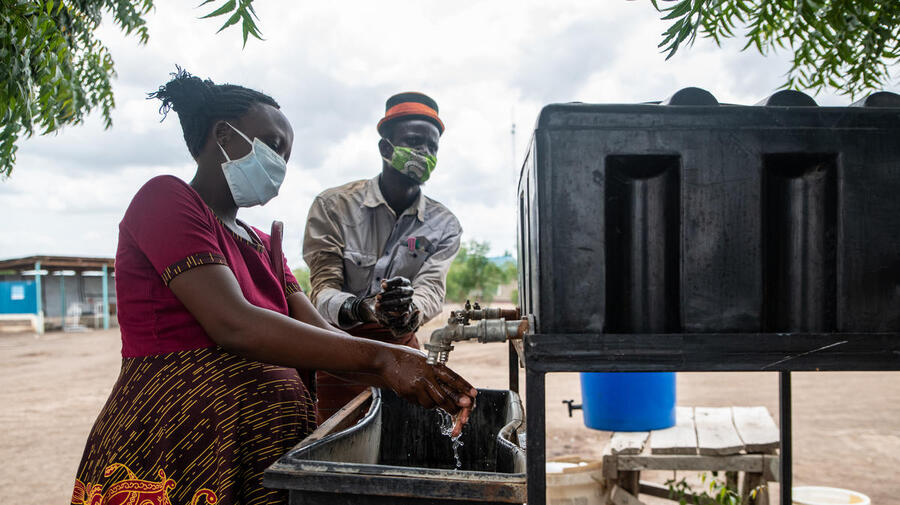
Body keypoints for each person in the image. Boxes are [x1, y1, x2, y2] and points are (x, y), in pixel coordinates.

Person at [70, 71, 475, 505]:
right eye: (273, 145)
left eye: (287, 153)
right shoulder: (166, 200)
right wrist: (382, 356)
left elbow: (330, 339)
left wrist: (422, 374)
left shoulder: (265, 245)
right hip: (181, 444)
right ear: (222, 134)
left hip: (265, 453)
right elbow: (235, 324)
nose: (281, 162)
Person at [303, 92, 462, 422]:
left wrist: (408, 311)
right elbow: (322, 291)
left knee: (406, 435)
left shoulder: (444, 224)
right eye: (414, 141)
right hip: (340, 351)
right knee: (336, 438)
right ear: (386, 149)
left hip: (403, 349)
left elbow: (431, 288)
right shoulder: (334, 206)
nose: (424, 152)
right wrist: (366, 308)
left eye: (432, 147)